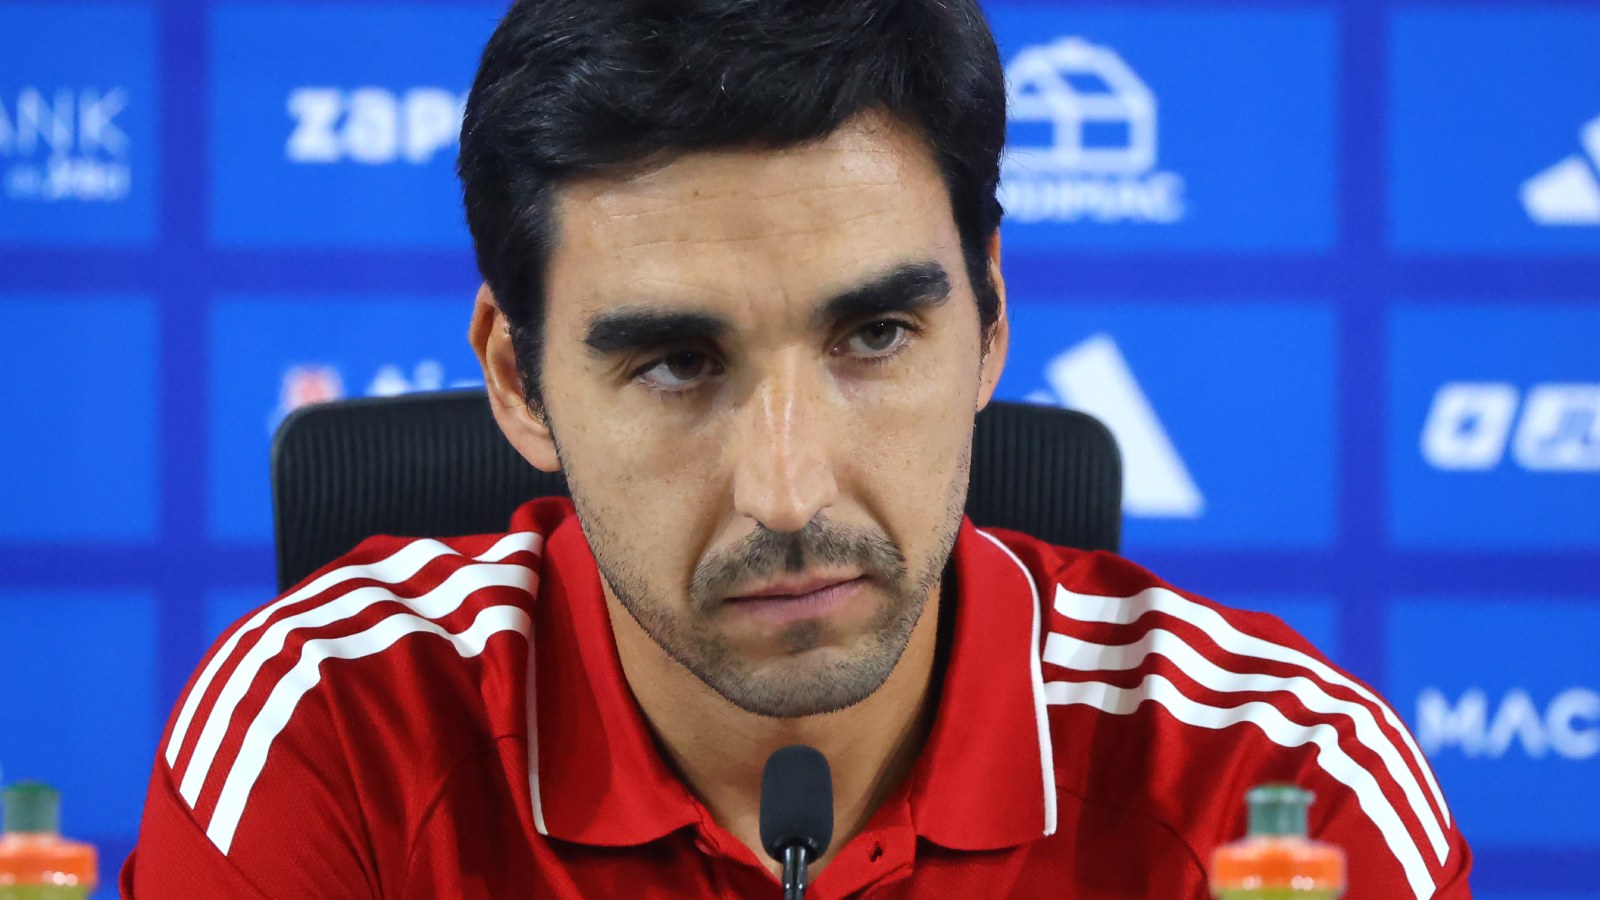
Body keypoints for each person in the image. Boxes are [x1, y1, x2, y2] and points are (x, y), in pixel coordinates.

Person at [123, 0, 1472, 896]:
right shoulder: (329, 734)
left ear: (990, 323)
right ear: (516, 381)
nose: (787, 492)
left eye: (874, 335)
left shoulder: (1278, 790)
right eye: (674, 363)